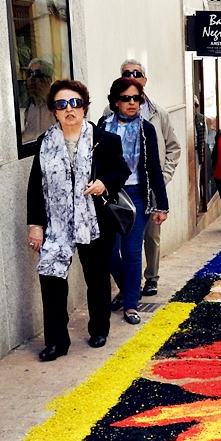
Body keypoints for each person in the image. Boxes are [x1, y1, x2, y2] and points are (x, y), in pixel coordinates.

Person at [27, 80, 126, 361]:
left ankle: (99, 329)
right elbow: (36, 187)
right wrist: (35, 225)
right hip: (56, 224)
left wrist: (104, 183)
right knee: (51, 279)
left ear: (84, 107)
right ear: (54, 112)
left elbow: (121, 170)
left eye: (74, 103)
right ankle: (57, 342)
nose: (69, 109)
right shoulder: (44, 144)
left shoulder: (103, 140)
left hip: (93, 220)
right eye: (61, 105)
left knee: (96, 278)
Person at [100, 60, 180, 300]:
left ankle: (140, 291)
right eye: (127, 74)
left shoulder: (156, 116)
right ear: (116, 99)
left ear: (144, 84)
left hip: (143, 191)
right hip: (111, 194)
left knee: (140, 245)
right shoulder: (105, 122)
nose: (131, 102)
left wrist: (161, 187)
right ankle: (128, 288)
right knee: (110, 250)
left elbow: (168, 152)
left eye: (135, 98)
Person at [21, 58, 56, 143]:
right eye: (29, 74)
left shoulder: (57, 106)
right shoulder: (27, 106)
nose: (32, 78)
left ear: (49, 80)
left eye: (37, 74)